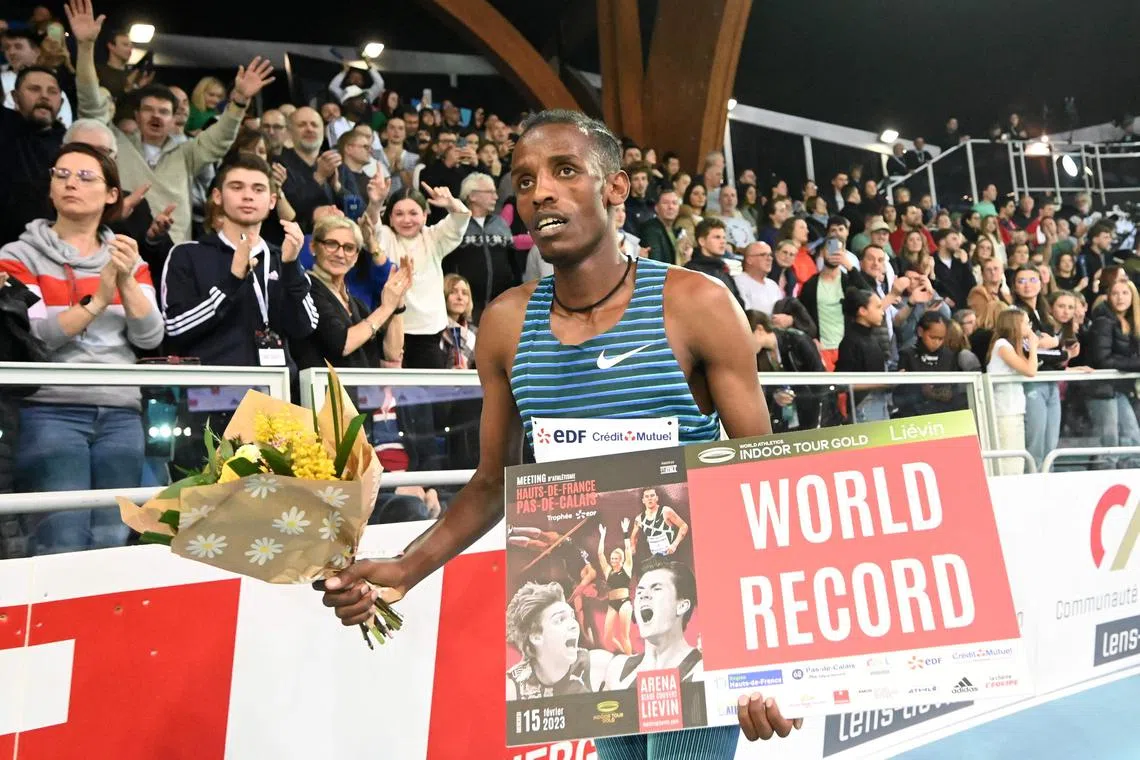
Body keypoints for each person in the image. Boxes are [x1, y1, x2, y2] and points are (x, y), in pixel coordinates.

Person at [319, 109, 798, 754]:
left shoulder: (696, 304)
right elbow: (494, 484)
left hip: (697, 618)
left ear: (616, 189)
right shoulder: (507, 324)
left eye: (564, 171)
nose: (539, 190)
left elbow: (762, 482)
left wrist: (775, 655)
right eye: (523, 180)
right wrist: (404, 569)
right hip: (597, 620)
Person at [0, 143, 163, 554]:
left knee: (112, 537)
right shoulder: (16, 256)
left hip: (121, 412)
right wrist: (98, 300)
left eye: (86, 176)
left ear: (111, 194)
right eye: (62, 174)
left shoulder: (128, 256)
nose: (72, 182)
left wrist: (125, 280)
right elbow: (33, 336)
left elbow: (150, 337)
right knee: (62, 538)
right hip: (49, 411)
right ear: (51, 189)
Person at [291, 215, 411, 370]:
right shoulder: (306, 289)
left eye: (349, 248)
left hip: (360, 392)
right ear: (313, 247)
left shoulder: (356, 304)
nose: (340, 254)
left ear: (355, 257)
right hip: (325, 391)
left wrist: (398, 303)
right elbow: (342, 344)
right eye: (331, 244)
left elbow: (392, 354)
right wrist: (386, 308)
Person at [599, 558, 703, 690]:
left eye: (656, 589)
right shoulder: (617, 669)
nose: (643, 596)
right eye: (640, 591)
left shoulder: (701, 671)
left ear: (682, 606)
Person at [505, 581, 612, 699]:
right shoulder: (511, 688)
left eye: (572, 617)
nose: (574, 625)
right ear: (536, 636)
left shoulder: (600, 666)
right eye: (560, 619)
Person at [597, 519, 634, 654]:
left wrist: (625, 531)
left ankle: (629, 659)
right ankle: (624, 656)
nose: (613, 561)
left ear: (621, 559)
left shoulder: (627, 568)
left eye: (615, 559)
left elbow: (628, 549)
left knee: (624, 636)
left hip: (624, 603)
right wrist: (602, 536)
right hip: (612, 603)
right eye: (611, 558)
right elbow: (600, 554)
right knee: (608, 637)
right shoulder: (608, 571)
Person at [629, 487, 689, 565]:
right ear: (643, 500)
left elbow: (684, 526)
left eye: (652, 495)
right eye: (646, 497)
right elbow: (634, 536)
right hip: (654, 558)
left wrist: (674, 544)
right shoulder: (639, 519)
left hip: (670, 556)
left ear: (657, 498)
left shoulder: (666, 511)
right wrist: (633, 548)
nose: (649, 498)